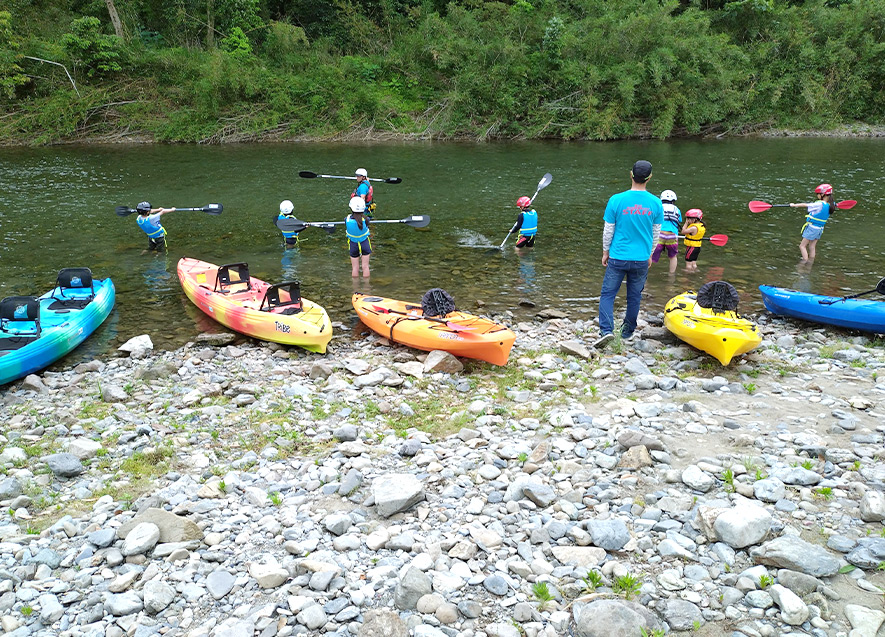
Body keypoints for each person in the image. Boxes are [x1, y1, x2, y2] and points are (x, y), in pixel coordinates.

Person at [594, 160, 663, 348]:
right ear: (650, 178)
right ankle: (628, 332)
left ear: (630, 175)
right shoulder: (656, 203)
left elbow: (608, 230)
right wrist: (650, 254)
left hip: (618, 256)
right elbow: (655, 234)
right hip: (641, 259)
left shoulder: (616, 200)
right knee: (634, 296)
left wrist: (605, 252)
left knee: (608, 294)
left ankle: (606, 331)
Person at [791, 183, 835, 262]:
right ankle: (810, 264)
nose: (817, 196)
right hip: (820, 229)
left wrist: (794, 205)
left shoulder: (819, 204)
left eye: (818, 194)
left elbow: (805, 205)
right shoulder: (831, 205)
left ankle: (803, 263)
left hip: (812, 228)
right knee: (812, 246)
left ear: (822, 194)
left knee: (802, 246)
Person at [652, 189, 681, 274]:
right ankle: (671, 276)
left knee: (650, 255)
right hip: (672, 236)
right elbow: (678, 221)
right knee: (673, 257)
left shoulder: (658, 207)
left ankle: (645, 275)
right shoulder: (677, 209)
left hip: (659, 235)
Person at [346, 196, 371, 277]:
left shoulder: (347, 219)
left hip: (353, 245)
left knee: (355, 268)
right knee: (365, 266)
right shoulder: (367, 219)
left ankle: (355, 287)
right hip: (365, 244)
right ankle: (367, 287)